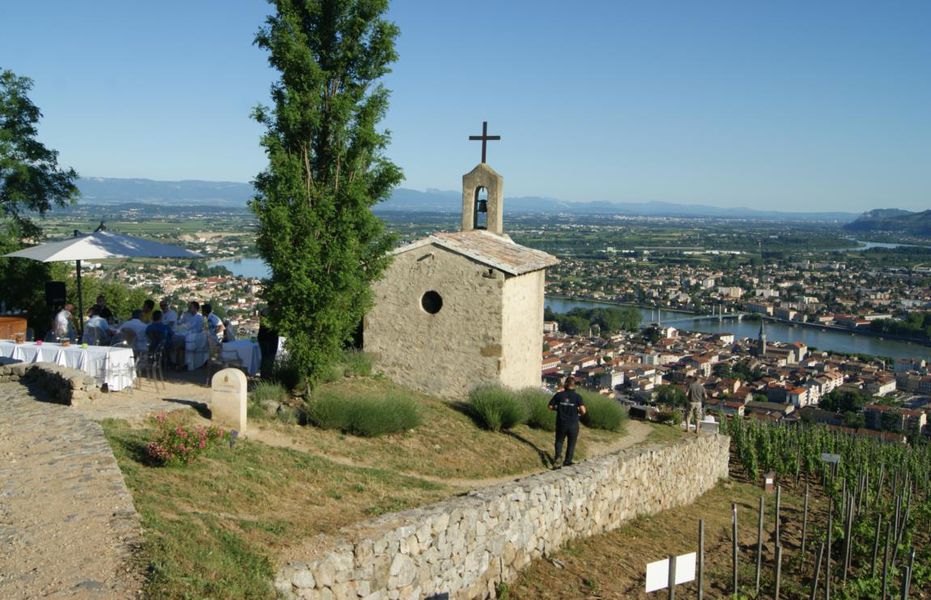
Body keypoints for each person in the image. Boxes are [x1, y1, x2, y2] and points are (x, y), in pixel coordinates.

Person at [548, 375, 586, 468]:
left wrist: (558, 408)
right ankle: (568, 461)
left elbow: (549, 406)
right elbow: (583, 410)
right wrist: (578, 412)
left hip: (561, 423)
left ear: (565, 384)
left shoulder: (559, 395)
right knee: (571, 443)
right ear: (574, 385)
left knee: (559, 441)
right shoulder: (577, 397)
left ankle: (557, 460)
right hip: (573, 424)